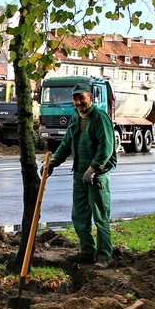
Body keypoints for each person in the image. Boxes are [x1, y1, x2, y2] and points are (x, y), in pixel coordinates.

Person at [41, 83, 116, 268]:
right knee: (79, 216)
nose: (78, 102)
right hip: (79, 174)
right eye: (75, 99)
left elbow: (106, 147)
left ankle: (105, 256)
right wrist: (53, 163)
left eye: (81, 98)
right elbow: (66, 144)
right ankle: (87, 252)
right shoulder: (75, 118)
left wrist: (94, 169)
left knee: (100, 217)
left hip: (97, 175)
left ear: (90, 97)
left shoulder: (100, 118)